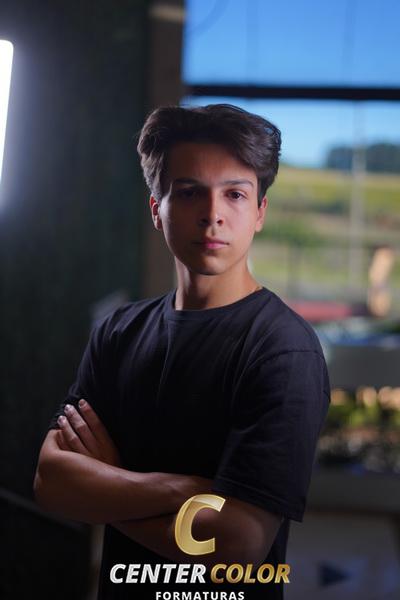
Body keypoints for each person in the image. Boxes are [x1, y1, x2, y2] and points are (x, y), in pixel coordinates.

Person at [34, 104, 331, 599]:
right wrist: (182, 489)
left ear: (259, 212)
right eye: (190, 192)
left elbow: (237, 547)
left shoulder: (283, 351)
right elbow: (51, 481)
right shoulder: (119, 332)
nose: (213, 214)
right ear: (157, 209)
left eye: (235, 194)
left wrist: (109, 487)